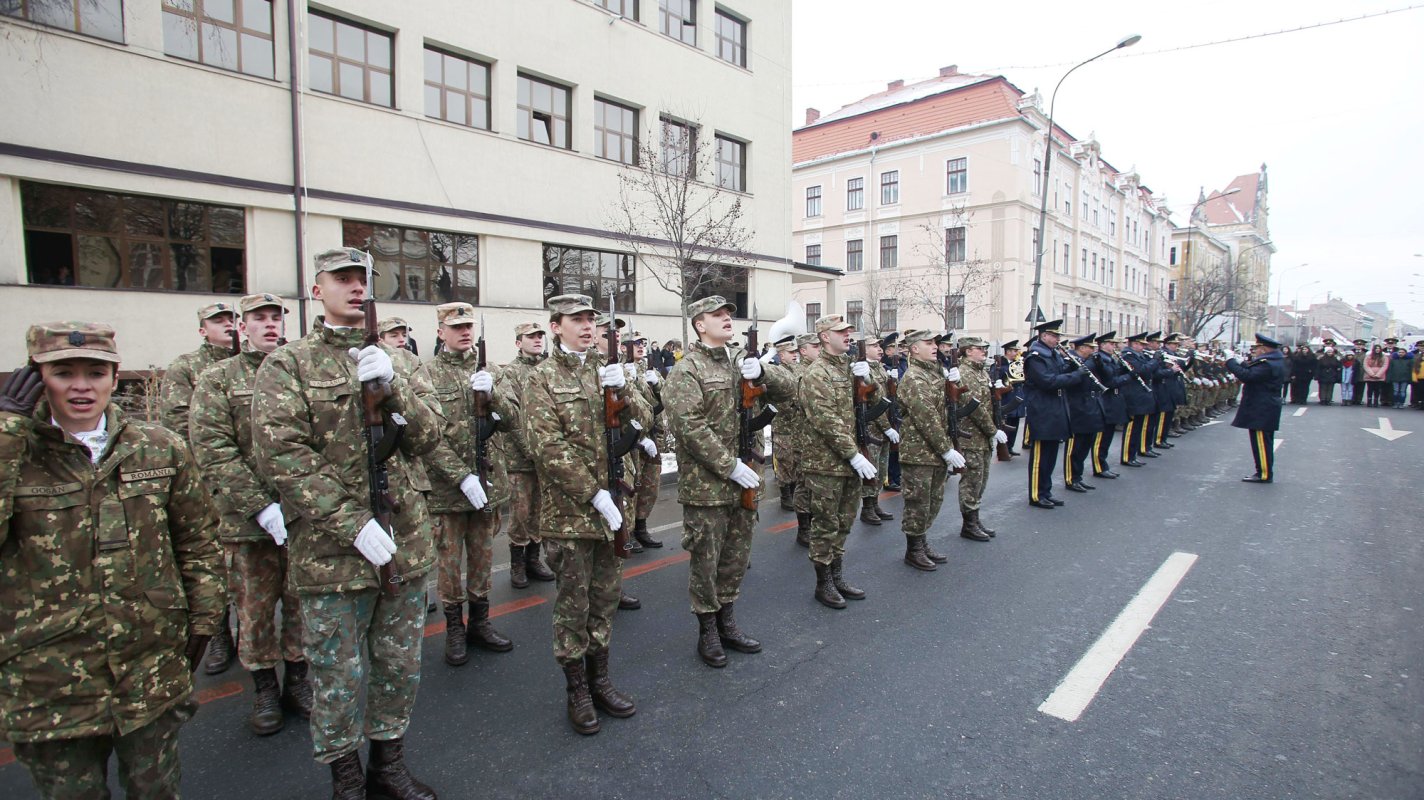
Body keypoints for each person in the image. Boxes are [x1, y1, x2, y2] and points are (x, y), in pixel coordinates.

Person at [1, 323, 224, 799]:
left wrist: (203, 624)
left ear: (114, 376)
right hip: (51, 678)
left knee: (157, 789)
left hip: (148, 666)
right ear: (37, 377)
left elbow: (198, 541)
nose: (81, 386)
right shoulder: (14, 451)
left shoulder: (158, 446)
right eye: (64, 373)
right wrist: (7, 432)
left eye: (95, 372)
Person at [253, 248, 443, 798]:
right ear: (317, 290)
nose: (357, 288)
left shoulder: (399, 361)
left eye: (363, 279)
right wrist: (350, 521)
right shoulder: (287, 365)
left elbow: (430, 439)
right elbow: (281, 455)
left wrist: (395, 386)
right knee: (337, 674)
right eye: (343, 279)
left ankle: (388, 763)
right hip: (331, 552)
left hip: (402, 540)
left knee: (398, 664)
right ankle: (345, 775)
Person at [523, 294, 650, 735]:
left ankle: (601, 679)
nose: (586, 326)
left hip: (615, 508)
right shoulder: (541, 378)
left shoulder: (607, 368)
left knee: (606, 599)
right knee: (572, 606)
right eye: (575, 320)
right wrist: (592, 493)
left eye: (590, 320)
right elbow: (546, 447)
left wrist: (627, 390)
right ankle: (576, 688)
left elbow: (645, 421)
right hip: (571, 514)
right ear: (555, 326)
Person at [190, 293, 311, 735]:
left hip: (301, 513)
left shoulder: (299, 371)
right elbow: (213, 448)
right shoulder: (217, 379)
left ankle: (298, 680)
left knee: (300, 603)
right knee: (255, 610)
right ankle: (263, 687)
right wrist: (258, 504)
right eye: (258, 318)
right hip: (247, 522)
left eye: (275, 317)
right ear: (243, 328)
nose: (269, 325)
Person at [663, 296, 795, 667]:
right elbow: (688, 427)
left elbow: (790, 390)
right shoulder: (686, 370)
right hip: (707, 486)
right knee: (706, 560)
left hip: (744, 481)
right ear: (699, 324)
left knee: (736, 557)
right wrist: (729, 465)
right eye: (717, 315)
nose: (726, 319)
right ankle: (707, 629)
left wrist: (763, 373)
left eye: (728, 315)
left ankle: (728, 620)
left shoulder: (742, 360)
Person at [417, 302, 516, 667]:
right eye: (455, 326)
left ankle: (480, 622)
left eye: (468, 325)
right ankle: (454, 628)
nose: (464, 332)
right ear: (440, 332)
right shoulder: (425, 375)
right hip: (447, 492)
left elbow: (513, 420)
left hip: (488, 485)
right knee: (447, 564)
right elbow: (427, 438)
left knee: (482, 558)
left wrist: (494, 395)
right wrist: (460, 475)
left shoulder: (491, 371)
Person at [160, 300, 241, 674]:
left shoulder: (260, 363)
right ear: (202, 328)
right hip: (207, 482)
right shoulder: (187, 368)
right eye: (218, 320)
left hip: (249, 478)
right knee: (215, 561)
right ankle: (219, 635)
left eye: (231, 319)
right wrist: (210, 470)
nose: (227, 325)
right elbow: (178, 423)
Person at [799, 314, 890, 608]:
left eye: (849, 331)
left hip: (851, 461)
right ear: (825, 337)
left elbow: (876, 404)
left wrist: (869, 378)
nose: (848, 335)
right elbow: (826, 421)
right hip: (826, 463)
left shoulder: (851, 369)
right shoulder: (817, 373)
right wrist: (853, 454)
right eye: (841, 331)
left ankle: (837, 575)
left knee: (844, 521)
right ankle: (822, 582)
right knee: (825, 524)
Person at [498, 322, 557, 589]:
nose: (537, 341)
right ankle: (517, 563)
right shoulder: (509, 374)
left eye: (539, 336)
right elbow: (513, 419)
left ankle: (534, 559)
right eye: (530, 337)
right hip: (521, 458)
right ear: (518, 342)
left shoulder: (549, 369)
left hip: (545, 455)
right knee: (521, 513)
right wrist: (532, 451)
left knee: (540, 512)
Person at [1023, 320, 1086, 509]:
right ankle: (1036, 494)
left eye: (1058, 336)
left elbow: (1059, 371)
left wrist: (1074, 367)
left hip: (1055, 407)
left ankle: (1046, 491)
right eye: (1054, 336)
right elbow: (1047, 381)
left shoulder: (1052, 354)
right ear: (1043, 336)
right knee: (1040, 456)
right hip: (1043, 409)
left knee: (1050, 455)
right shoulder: (1035, 356)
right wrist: (1076, 376)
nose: (1057, 339)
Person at [950, 336, 999, 544]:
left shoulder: (981, 371)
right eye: (980, 349)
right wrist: (992, 430)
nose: (984, 352)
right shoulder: (964, 373)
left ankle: (975, 519)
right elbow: (974, 407)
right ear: (968, 351)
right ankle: (968, 524)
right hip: (971, 436)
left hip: (983, 437)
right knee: (971, 481)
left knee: (981, 479)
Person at [1224, 333, 1289, 483]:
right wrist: (1241, 363)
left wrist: (1230, 362)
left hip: (1262, 406)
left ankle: (1264, 473)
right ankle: (1262, 471)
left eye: (1257, 348)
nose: (1255, 351)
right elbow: (1253, 371)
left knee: (1261, 442)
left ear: (1264, 349)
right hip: (1264, 405)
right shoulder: (1271, 361)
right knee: (1262, 441)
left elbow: (1248, 376)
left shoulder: (1268, 363)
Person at [626, 331, 666, 552]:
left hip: (652, 435)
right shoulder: (620, 372)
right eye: (635, 344)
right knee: (632, 487)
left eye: (643, 343)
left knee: (650, 487)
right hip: (631, 439)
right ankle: (629, 531)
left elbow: (661, 402)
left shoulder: (649, 370)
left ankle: (641, 527)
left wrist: (656, 384)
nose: (641, 346)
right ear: (623, 347)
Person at [858, 334, 897, 525]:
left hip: (884, 426)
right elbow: (875, 402)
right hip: (872, 427)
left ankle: (875, 503)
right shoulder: (861, 369)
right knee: (871, 469)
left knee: (881, 468)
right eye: (874, 346)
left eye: (879, 346)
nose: (880, 349)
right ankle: (867, 507)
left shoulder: (880, 368)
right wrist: (886, 427)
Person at [1062, 333, 1105, 493]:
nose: (1094, 350)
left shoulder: (1090, 361)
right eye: (1090, 347)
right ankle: (1070, 478)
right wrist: (1086, 367)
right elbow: (1069, 380)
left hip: (1090, 406)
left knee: (1086, 444)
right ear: (1081, 348)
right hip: (1076, 407)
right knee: (1075, 446)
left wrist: (1099, 365)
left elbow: (1105, 377)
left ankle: (1078, 476)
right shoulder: (1071, 361)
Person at [789, 331, 822, 547]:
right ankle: (804, 528)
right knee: (802, 483)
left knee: (815, 483)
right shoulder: (798, 374)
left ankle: (814, 522)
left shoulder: (818, 371)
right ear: (803, 350)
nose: (820, 349)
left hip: (816, 437)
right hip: (802, 436)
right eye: (815, 346)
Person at [1088, 332, 1128, 479]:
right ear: (1103, 345)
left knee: (1108, 436)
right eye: (1111, 344)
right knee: (1101, 437)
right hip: (1105, 400)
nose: (1114, 346)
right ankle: (1099, 466)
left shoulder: (1110, 359)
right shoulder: (1100, 359)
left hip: (1113, 400)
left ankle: (1103, 464)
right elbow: (1110, 381)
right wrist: (1128, 376)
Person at [770, 335, 801, 512]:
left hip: (798, 425)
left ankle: (794, 492)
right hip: (783, 424)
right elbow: (778, 399)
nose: (794, 355)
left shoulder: (797, 370)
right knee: (784, 461)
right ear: (781, 356)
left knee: (796, 460)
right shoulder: (778, 372)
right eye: (790, 353)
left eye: (795, 352)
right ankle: (785, 495)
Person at [1119, 332, 1156, 467]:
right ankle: (1127, 456)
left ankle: (1133, 455)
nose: (1143, 347)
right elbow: (1142, 370)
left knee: (1138, 428)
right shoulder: (1128, 356)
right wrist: (1155, 361)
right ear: (1134, 344)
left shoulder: (1140, 355)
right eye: (1141, 344)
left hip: (1141, 395)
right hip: (1133, 395)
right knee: (1131, 428)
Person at [880, 332, 906, 490]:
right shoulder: (884, 366)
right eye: (895, 347)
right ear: (888, 351)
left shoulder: (903, 364)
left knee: (897, 447)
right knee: (890, 448)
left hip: (898, 410)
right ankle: (889, 478)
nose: (900, 350)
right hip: (888, 410)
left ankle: (897, 476)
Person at [993, 340, 1027, 455]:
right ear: (1007, 351)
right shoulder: (1000, 365)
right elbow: (995, 377)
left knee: (1015, 425)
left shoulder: (1016, 363)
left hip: (1016, 398)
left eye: (1016, 351)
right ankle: (1003, 448)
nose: (1016, 353)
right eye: (1013, 351)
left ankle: (1010, 447)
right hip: (1007, 399)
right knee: (1005, 425)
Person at [1314, 341, 1342, 405]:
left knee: (1330, 388)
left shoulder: (1335, 359)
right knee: (1323, 388)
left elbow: (1338, 366)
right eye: (1328, 352)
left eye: (1331, 352)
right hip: (1323, 374)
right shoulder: (1321, 358)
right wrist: (1317, 375)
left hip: (1332, 374)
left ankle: (1328, 400)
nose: (1330, 353)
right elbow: (1318, 367)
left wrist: (1337, 375)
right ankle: (1323, 399)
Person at [1386, 342, 1412, 408]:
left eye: (1402, 352)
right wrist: (1389, 378)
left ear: (1405, 353)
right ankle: (1395, 403)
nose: (1401, 353)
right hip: (1395, 378)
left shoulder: (1408, 361)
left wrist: (1410, 379)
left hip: (1405, 379)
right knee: (1395, 391)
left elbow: (1410, 371)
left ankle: (1401, 403)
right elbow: (1390, 370)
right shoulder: (1393, 360)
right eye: (1399, 352)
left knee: (1402, 392)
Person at [1348, 339, 1368, 405]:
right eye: (1357, 345)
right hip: (1353, 372)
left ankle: (1359, 399)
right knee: (1352, 386)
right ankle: (1352, 399)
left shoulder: (1366, 353)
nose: (1358, 346)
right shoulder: (1351, 353)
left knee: (1361, 386)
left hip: (1362, 372)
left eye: (1360, 345)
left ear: (1363, 346)